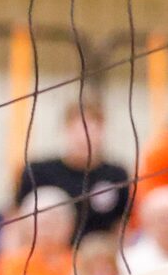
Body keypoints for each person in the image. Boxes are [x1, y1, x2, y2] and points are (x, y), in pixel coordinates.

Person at [18, 90, 134, 245]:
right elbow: (15, 222)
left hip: (97, 260)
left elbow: (121, 228)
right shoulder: (38, 171)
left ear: (103, 131)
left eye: (93, 129)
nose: (85, 137)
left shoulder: (116, 174)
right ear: (65, 130)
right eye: (78, 129)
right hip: (48, 257)